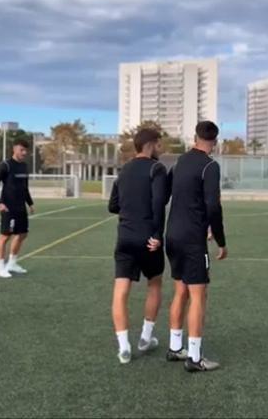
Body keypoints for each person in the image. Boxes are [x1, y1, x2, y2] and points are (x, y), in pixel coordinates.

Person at [164, 121, 227, 372]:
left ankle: (175, 347)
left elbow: (165, 192)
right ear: (215, 141)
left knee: (180, 291)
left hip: (173, 235)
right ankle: (194, 357)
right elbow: (213, 205)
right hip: (192, 239)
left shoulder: (180, 162)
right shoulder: (210, 166)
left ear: (195, 137)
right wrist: (221, 239)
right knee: (199, 295)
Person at [107, 128, 169, 364]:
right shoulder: (157, 168)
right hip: (147, 238)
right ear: (151, 145)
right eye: (159, 144)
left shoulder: (123, 171)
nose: (160, 149)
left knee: (120, 293)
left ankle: (124, 347)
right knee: (154, 284)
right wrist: (157, 235)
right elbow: (158, 204)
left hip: (124, 238)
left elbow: (112, 206)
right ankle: (145, 337)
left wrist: (130, 208)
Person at [0, 139, 35, 279]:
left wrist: (30, 203)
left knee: (22, 234)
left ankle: (12, 264)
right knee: (5, 236)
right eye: (21, 150)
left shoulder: (24, 167)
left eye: (26, 150)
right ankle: (0, 268)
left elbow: (25, 187)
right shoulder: (5, 165)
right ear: (14, 149)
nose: (24, 153)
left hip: (21, 207)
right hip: (8, 208)